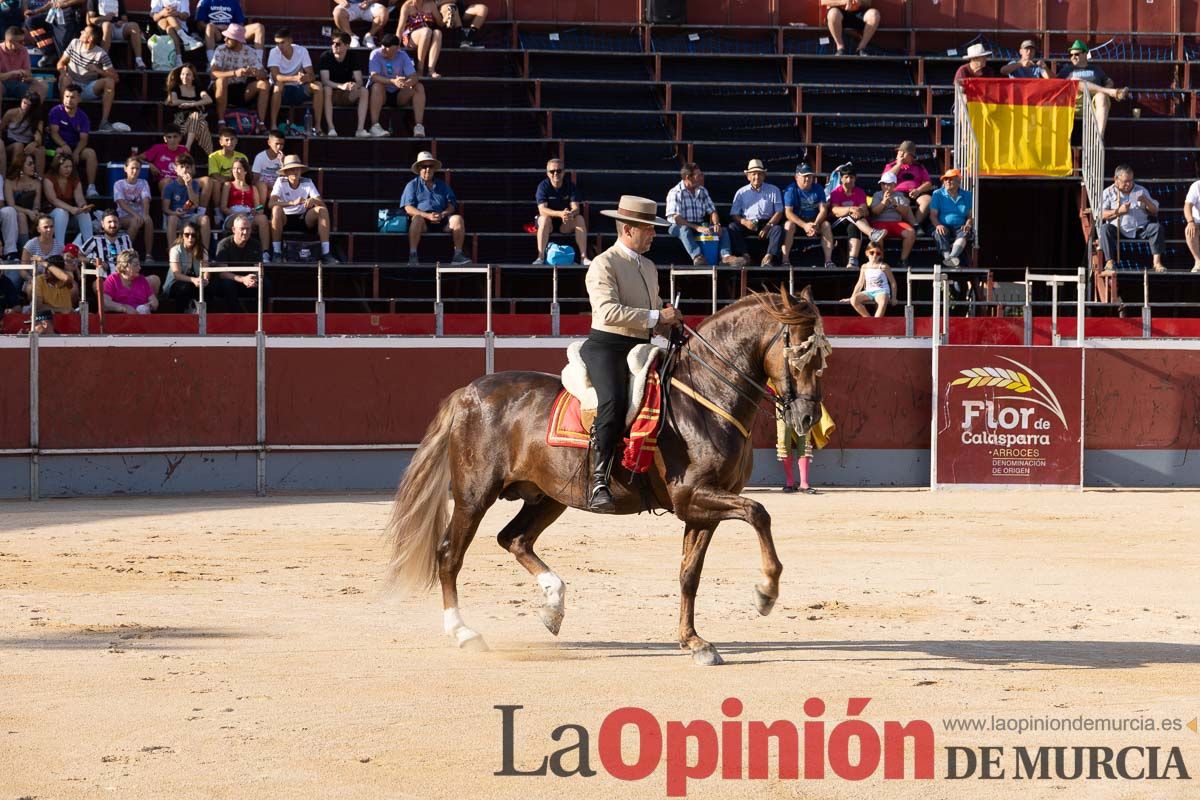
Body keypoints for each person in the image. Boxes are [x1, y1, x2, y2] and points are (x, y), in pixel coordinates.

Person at [580, 195, 678, 512]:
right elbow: (608, 311)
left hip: (641, 347)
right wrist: (655, 318)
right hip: (606, 346)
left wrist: (668, 323)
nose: (653, 234)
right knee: (613, 400)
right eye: (648, 229)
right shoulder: (603, 263)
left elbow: (654, 314)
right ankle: (598, 479)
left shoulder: (648, 267)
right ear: (628, 229)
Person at [664, 161, 743, 267]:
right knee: (684, 229)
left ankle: (725, 257)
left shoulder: (702, 191)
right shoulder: (675, 192)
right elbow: (676, 218)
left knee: (723, 230)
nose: (702, 177)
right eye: (699, 175)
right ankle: (697, 257)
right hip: (678, 226)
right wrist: (697, 228)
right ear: (688, 177)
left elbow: (712, 211)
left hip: (698, 224)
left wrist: (716, 224)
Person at [401, 150, 467, 265]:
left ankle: (458, 255)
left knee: (458, 219)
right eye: (424, 166)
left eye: (430, 166)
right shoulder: (412, 185)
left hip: (442, 218)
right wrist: (427, 215)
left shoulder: (442, 185)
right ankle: (413, 256)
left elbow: (452, 204)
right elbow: (408, 208)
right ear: (418, 169)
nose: (428, 169)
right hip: (423, 222)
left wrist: (443, 214)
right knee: (416, 219)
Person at [268, 154, 336, 264]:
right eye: (291, 169)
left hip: (303, 218)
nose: (295, 171)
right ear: (286, 172)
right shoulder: (280, 181)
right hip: (285, 219)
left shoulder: (307, 181)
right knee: (276, 209)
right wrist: (292, 203)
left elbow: (321, 203)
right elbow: (271, 203)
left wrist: (313, 201)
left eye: (297, 169)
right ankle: (277, 252)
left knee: (321, 210)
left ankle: (326, 253)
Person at [1100, 164, 1163, 273]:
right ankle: (1109, 261)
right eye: (1125, 181)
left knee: (1156, 227)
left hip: (1141, 228)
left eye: (1131, 180)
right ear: (1116, 179)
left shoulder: (1141, 190)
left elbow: (1155, 211)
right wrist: (1118, 211)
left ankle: (1157, 263)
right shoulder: (1108, 192)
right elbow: (1101, 214)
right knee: (1105, 228)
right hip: (1118, 229)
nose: (1129, 184)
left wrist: (1145, 201)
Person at [1057, 40, 1128, 136]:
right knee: (1076, 80)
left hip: (1094, 103)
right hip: (1076, 104)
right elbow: (1056, 85)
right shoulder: (1066, 70)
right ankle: (1112, 93)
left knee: (1102, 96)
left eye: (1076, 54)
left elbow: (1109, 81)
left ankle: (1099, 137)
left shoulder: (1095, 69)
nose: (1073, 57)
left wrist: (1102, 90)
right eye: (1071, 55)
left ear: (1085, 54)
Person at [367, 33, 426, 138]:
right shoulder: (375, 54)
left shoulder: (403, 55)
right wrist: (393, 81)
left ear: (397, 48)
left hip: (399, 94)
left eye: (388, 46)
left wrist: (405, 84)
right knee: (376, 86)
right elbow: (374, 76)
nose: (384, 49)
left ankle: (418, 126)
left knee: (419, 87)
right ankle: (374, 126)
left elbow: (414, 76)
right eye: (383, 45)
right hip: (382, 94)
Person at [267, 27, 323, 135]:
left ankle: (318, 127)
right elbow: (275, 77)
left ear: (290, 41)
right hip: (281, 91)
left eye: (282, 42)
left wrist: (305, 78)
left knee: (318, 86)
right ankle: (273, 125)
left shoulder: (302, 51)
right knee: (278, 85)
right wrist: (295, 78)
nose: (279, 46)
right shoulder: (273, 52)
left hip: (298, 88)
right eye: (277, 43)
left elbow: (311, 75)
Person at [728, 158, 784, 266]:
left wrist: (768, 226)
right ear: (748, 176)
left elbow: (779, 212)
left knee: (778, 229)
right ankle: (745, 257)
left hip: (767, 222)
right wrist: (745, 222)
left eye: (759, 174)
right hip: (748, 222)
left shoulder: (774, 190)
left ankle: (769, 257)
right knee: (732, 227)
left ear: (764, 175)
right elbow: (734, 214)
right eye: (753, 174)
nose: (756, 177)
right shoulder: (741, 192)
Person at [210, 23, 269, 125]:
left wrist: (256, 72)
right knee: (221, 80)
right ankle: (221, 121)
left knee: (264, 84)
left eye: (228, 38)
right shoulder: (221, 49)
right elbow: (213, 74)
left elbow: (264, 74)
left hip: (241, 89)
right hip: (220, 88)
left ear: (237, 40)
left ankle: (261, 123)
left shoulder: (250, 52)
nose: (225, 40)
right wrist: (234, 73)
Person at [533, 157, 589, 265]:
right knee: (544, 219)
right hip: (548, 223)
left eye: (559, 171)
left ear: (563, 172)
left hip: (565, 222)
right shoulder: (543, 186)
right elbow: (542, 210)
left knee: (580, 218)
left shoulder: (570, 186)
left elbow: (576, 208)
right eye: (552, 171)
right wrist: (560, 213)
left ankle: (584, 257)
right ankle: (540, 257)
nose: (555, 174)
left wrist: (570, 213)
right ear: (547, 173)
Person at [827, 165, 884, 269]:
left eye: (851, 177)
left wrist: (859, 212)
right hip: (837, 225)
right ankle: (871, 232)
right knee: (850, 215)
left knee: (854, 224)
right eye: (846, 177)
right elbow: (835, 211)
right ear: (841, 178)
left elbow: (865, 210)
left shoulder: (859, 192)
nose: (849, 180)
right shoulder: (836, 192)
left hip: (853, 224)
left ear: (855, 178)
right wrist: (850, 209)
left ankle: (852, 261)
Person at [47, 85, 99, 196]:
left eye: (72, 97)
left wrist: (76, 152)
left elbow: (84, 139)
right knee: (60, 153)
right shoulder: (56, 111)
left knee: (90, 153)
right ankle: (52, 186)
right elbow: (54, 133)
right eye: (66, 96)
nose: (69, 100)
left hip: (75, 148)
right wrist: (64, 145)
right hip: (57, 146)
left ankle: (91, 187)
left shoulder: (83, 116)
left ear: (79, 99)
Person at [781, 163, 834, 268]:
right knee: (788, 225)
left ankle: (828, 261)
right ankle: (785, 261)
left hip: (814, 222)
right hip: (798, 222)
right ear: (796, 177)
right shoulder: (791, 190)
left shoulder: (818, 188)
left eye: (809, 176)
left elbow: (823, 209)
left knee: (826, 225)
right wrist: (805, 225)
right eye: (804, 176)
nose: (808, 179)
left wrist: (815, 224)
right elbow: (788, 213)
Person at [318, 32, 370, 137]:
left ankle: (360, 130)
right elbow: (325, 81)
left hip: (347, 93)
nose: (334, 46)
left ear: (347, 45)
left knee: (364, 91)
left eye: (337, 44)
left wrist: (354, 85)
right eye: (332, 43)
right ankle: (331, 128)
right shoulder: (326, 56)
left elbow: (359, 80)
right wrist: (341, 86)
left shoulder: (352, 57)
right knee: (327, 89)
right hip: (331, 93)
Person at [212, 212, 266, 310]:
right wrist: (242, 279)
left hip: (248, 281)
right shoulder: (224, 245)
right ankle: (237, 317)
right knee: (227, 285)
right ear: (234, 230)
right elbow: (222, 273)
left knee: (265, 284)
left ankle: (262, 317)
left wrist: (254, 278)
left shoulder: (256, 244)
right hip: (231, 280)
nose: (245, 232)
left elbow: (259, 267)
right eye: (242, 229)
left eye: (248, 229)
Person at [220, 155, 269, 259]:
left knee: (263, 218)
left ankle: (265, 253)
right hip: (232, 215)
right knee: (239, 218)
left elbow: (259, 207)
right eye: (234, 168)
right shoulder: (228, 185)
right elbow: (223, 207)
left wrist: (256, 211)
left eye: (239, 168)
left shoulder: (253, 188)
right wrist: (237, 214)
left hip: (249, 215)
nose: (235, 171)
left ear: (245, 171)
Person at [42, 152, 94, 247]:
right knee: (61, 212)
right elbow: (53, 200)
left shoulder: (74, 178)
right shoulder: (49, 178)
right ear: (58, 167)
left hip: (70, 215)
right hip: (52, 214)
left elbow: (79, 198)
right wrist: (70, 208)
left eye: (70, 167)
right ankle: (59, 247)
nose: (69, 169)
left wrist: (83, 206)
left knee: (84, 214)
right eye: (65, 167)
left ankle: (89, 247)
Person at [868, 171, 916, 268]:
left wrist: (895, 204)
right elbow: (875, 212)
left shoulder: (899, 195)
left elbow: (905, 212)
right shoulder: (877, 195)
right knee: (878, 235)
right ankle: (880, 261)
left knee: (911, 233)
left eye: (888, 184)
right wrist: (884, 202)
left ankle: (903, 260)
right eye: (883, 184)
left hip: (897, 222)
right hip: (880, 222)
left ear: (894, 185)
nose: (885, 186)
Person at [112, 154, 154, 261]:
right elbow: (121, 203)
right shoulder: (118, 184)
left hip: (140, 215)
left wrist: (145, 214)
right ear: (125, 168)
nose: (135, 171)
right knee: (135, 221)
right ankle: (125, 254)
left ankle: (148, 255)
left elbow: (146, 200)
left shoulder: (143, 183)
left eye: (137, 168)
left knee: (148, 220)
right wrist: (136, 215)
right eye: (132, 168)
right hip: (123, 217)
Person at [162, 153, 210, 249]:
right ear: (176, 169)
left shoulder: (195, 184)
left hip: (190, 216)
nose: (184, 170)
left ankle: (205, 253)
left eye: (187, 167)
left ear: (191, 169)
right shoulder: (170, 186)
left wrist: (189, 186)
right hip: (176, 217)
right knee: (172, 218)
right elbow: (165, 209)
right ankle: (172, 253)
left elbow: (195, 204)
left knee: (205, 219)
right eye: (182, 167)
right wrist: (174, 213)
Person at [164, 63, 213, 154]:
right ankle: (209, 155)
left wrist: (191, 104)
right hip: (181, 122)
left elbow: (208, 99)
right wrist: (193, 103)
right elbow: (173, 101)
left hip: (196, 121)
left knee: (200, 121)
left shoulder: (198, 89)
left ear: (193, 77)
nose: (185, 77)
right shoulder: (176, 88)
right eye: (183, 74)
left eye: (188, 74)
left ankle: (187, 147)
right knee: (202, 124)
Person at [881, 140, 934, 224]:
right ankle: (915, 225)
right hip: (898, 192)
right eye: (900, 151)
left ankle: (916, 223)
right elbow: (886, 179)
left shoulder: (919, 167)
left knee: (927, 200)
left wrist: (918, 190)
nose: (901, 154)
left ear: (911, 156)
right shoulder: (890, 166)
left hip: (916, 192)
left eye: (904, 152)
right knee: (903, 202)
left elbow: (928, 183)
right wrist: (898, 165)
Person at [928, 168, 973, 268]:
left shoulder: (968, 195)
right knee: (939, 231)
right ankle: (948, 257)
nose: (947, 181)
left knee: (965, 232)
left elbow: (969, 216)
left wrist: (968, 224)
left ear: (958, 181)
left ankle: (951, 257)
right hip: (942, 224)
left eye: (950, 179)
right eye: (945, 179)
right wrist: (938, 225)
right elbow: (933, 215)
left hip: (960, 226)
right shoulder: (937, 193)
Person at [194, 0, 264, 58]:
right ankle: (211, 63)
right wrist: (218, 27)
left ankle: (258, 62)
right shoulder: (205, 1)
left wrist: (230, 28)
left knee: (259, 27)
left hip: (233, 32)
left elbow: (240, 23)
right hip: (216, 33)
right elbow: (200, 24)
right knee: (209, 26)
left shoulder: (234, 2)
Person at [85, 0, 145, 68]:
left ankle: (139, 60)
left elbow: (125, 19)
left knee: (134, 25)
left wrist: (122, 22)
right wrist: (105, 18)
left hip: (116, 27)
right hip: (101, 28)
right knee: (107, 25)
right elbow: (89, 21)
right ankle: (103, 60)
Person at [845, 242, 896, 317]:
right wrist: (852, 297)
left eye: (878, 253)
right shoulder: (864, 266)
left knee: (883, 301)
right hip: (868, 292)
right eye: (872, 252)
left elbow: (893, 282)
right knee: (854, 300)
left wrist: (894, 298)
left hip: (881, 291)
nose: (875, 255)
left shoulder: (884, 266)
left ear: (880, 255)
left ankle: (876, 322)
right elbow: (860, 283)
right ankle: (869, 320)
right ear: (867, 253)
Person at [0, 93, 45, 180]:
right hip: (11, 144)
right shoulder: (11, 113)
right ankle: (13, 175)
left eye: (29, 105)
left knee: (41, 150)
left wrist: (35, 143)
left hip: (27, 145)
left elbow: (39, 137)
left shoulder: (37, 118)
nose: (25, 106)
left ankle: (40, 179)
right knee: (18, 146)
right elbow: (1, 129)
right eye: (24, 103)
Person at [164, 218, 206, 310]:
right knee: (184, 287)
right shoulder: (175, 250)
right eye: (187, 235)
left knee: (208, 288)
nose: (190, 238)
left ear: (197, 236)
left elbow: (206, 271)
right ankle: (182, 316)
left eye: (193, 235)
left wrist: (205, 280)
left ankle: (207, 316)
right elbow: (177, 275)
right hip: (175, 284)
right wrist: (194, 280)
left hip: (195, 282)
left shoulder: (203, 251)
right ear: (182, 235)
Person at [102, 248, 158, 313]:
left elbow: (154, 302)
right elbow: (105, 303)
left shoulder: (142, 280)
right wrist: (124, 308)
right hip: (119, 319)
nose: (139, 268)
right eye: (135, 265)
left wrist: (150, 305)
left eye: (139, 265)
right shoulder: (112, 279)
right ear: (125, 266)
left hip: (141, 318)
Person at [82, 208, 134, 276]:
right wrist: (94, 261)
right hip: (103, 280)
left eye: (115, 221)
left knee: (152, 279)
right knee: (95, 285)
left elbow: (132, 258)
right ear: (102, 224)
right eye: (109, 222)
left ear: (119, 223)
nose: (113, 225)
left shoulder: (126, 239)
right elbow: (78, 255)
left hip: (123, 280)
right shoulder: (95, 240)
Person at [0, 25, 48, 100]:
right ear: (10, 42)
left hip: (19, 83)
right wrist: (13, 73)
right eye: (20, 42)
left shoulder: (23, 50)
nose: (23, 44)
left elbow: (28, 71)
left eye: (23, 41)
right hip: (2, 84)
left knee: (42, 85)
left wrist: (26, 76)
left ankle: (34, 111)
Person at [396, 0, 440, 76]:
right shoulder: (407, 6)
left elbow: (440, 23)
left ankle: (431, 70)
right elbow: (400, 28)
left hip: (428, 35)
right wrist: (396, 45)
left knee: (438, 33)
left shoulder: (431, 4)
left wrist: (447, 19)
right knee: (426, 31)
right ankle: (420, 69)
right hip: (411, 36)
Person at [142, 123, 188, 193]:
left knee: (207, 181)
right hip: (164, 181)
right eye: (169, 137)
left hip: (181, 181)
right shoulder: (157, 148)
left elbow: (192, 169)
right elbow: (136, 158)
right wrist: (149, 165)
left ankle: (198, 204)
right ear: (165, 139)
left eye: (175, 137)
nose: (172, 140)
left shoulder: (184, 150)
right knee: (168, 181)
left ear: (180, 138)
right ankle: (166, 204)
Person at [4, 152, 40, 239]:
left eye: (33, 163)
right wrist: (27, 211)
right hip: (15, 214)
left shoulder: (36, 182)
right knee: (21, 216)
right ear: (21, 166)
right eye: (29, 164)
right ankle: (25, 248)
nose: (33, 166)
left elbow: (37, 202)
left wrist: (36, 210)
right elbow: (11, 205)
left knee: (43, 217)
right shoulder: (9, 182)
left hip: (31, 213)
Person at [207, 126, 247, 202]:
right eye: (226, 140)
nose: (230, 142)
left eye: (232, 139)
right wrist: (229, 182)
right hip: (221, 183)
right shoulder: (213, 156)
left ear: (236, 141)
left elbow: (245, 174)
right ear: (221, 142)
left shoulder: (242, 156)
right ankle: (217, 210)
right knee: (216, 183)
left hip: (237, 182)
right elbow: (214, 174)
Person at [1182, 177, 1200, 272]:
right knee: (1190, 230)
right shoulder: (1196, 185)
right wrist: (1190, 221)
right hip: (1198, 223)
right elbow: (1187, 205)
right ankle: (1198, 262)